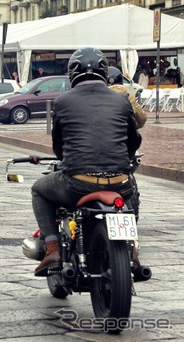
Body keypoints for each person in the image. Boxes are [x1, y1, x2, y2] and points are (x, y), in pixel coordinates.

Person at [31, 48, 142, 277]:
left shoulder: (62, 101)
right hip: (120, 181)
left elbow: (59, 147)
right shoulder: (122, 100)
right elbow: (134, 141)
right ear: (104, 72)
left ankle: (52, 248)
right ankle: (132, 247)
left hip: (78, 182)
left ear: (72, 73)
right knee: (131, 193)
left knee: (39, 190)